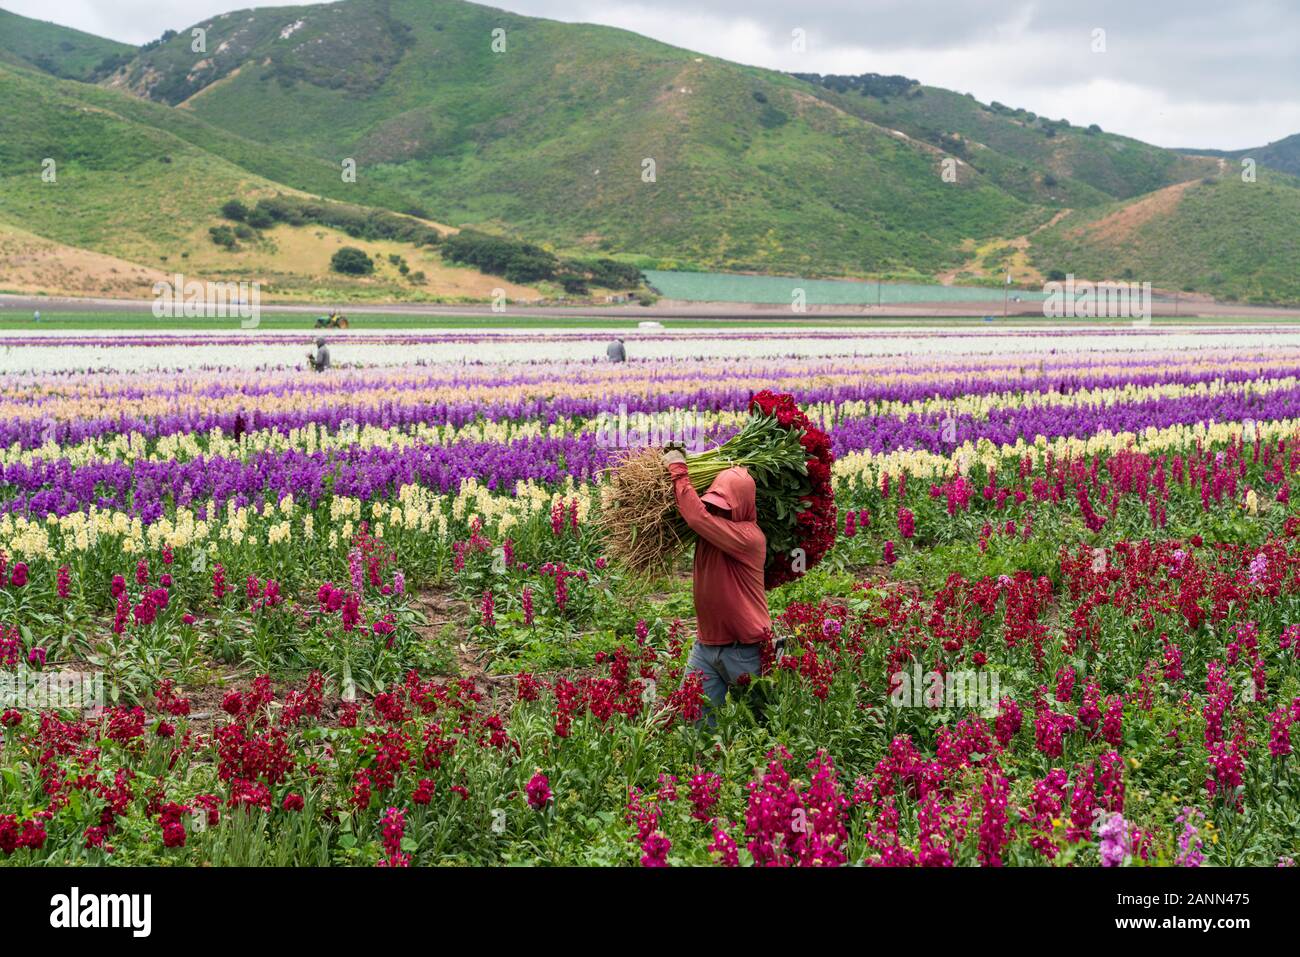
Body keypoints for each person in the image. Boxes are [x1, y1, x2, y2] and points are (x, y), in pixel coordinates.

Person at [662, 449, 770, 717]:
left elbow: (697, 516)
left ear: (743, 506)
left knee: (766, 725)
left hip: (745, 650)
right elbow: (696, 515)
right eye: (714, 504)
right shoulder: (710, 530)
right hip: (705, 647)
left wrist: (678, 469)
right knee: (694, 723)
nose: (716, 510)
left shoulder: (749, 537)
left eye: (724, 507)